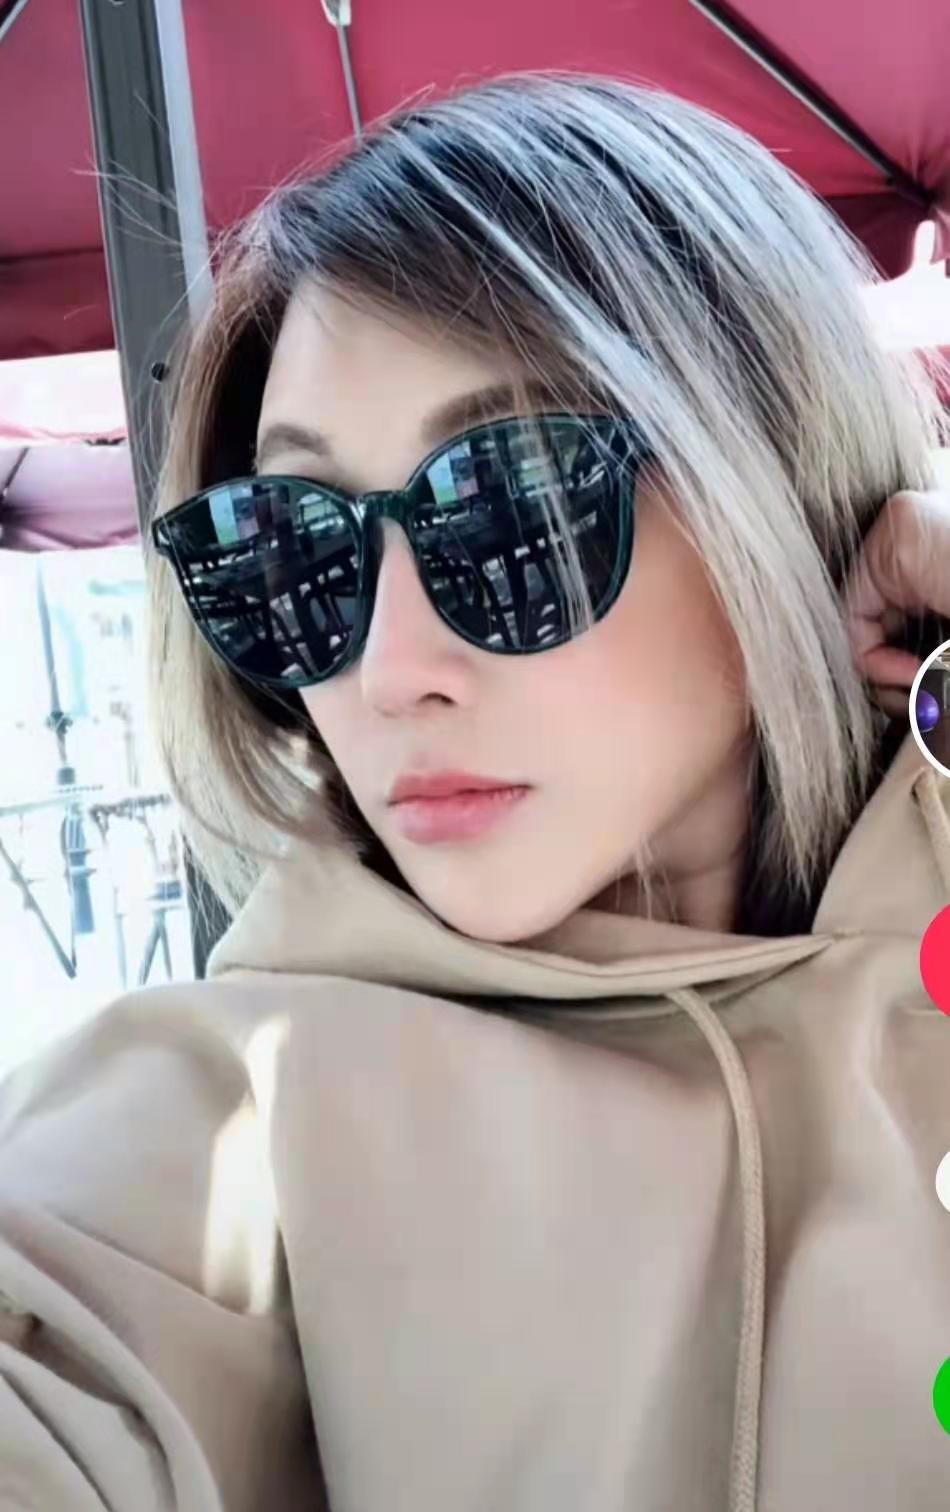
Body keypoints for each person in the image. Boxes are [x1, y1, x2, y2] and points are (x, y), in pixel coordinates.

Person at [1, 70, 949, 1512]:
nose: (387, 671)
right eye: (294, 546)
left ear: (772, 480)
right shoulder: (229, 1118)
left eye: (514, 508)